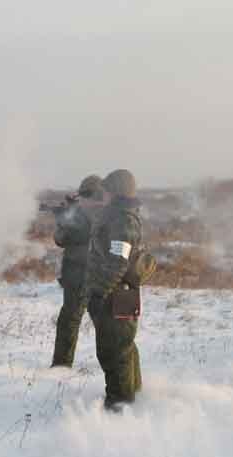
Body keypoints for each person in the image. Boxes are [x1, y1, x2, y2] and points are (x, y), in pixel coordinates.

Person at [82, 169, 145, 411]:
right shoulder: (117, 215)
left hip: (117, 294)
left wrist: (100, 292)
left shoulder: (123, 220)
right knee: (123, 346)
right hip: (118, 291)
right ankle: (132, 398)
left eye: (107, 190)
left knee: (114, 350)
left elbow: (118, 260)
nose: (103, 194)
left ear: (116, 192)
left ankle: (119, 406)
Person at [51, 174, 106, 367]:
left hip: (87, 274)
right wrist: (65, 217)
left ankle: (62, 365)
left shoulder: (88, 214)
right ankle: (110, 364)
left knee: (75, 320)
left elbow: (61, 239)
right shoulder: (104, 213)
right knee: (94, 321)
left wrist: (64, 219)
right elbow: (61, 239)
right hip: (89, 275)